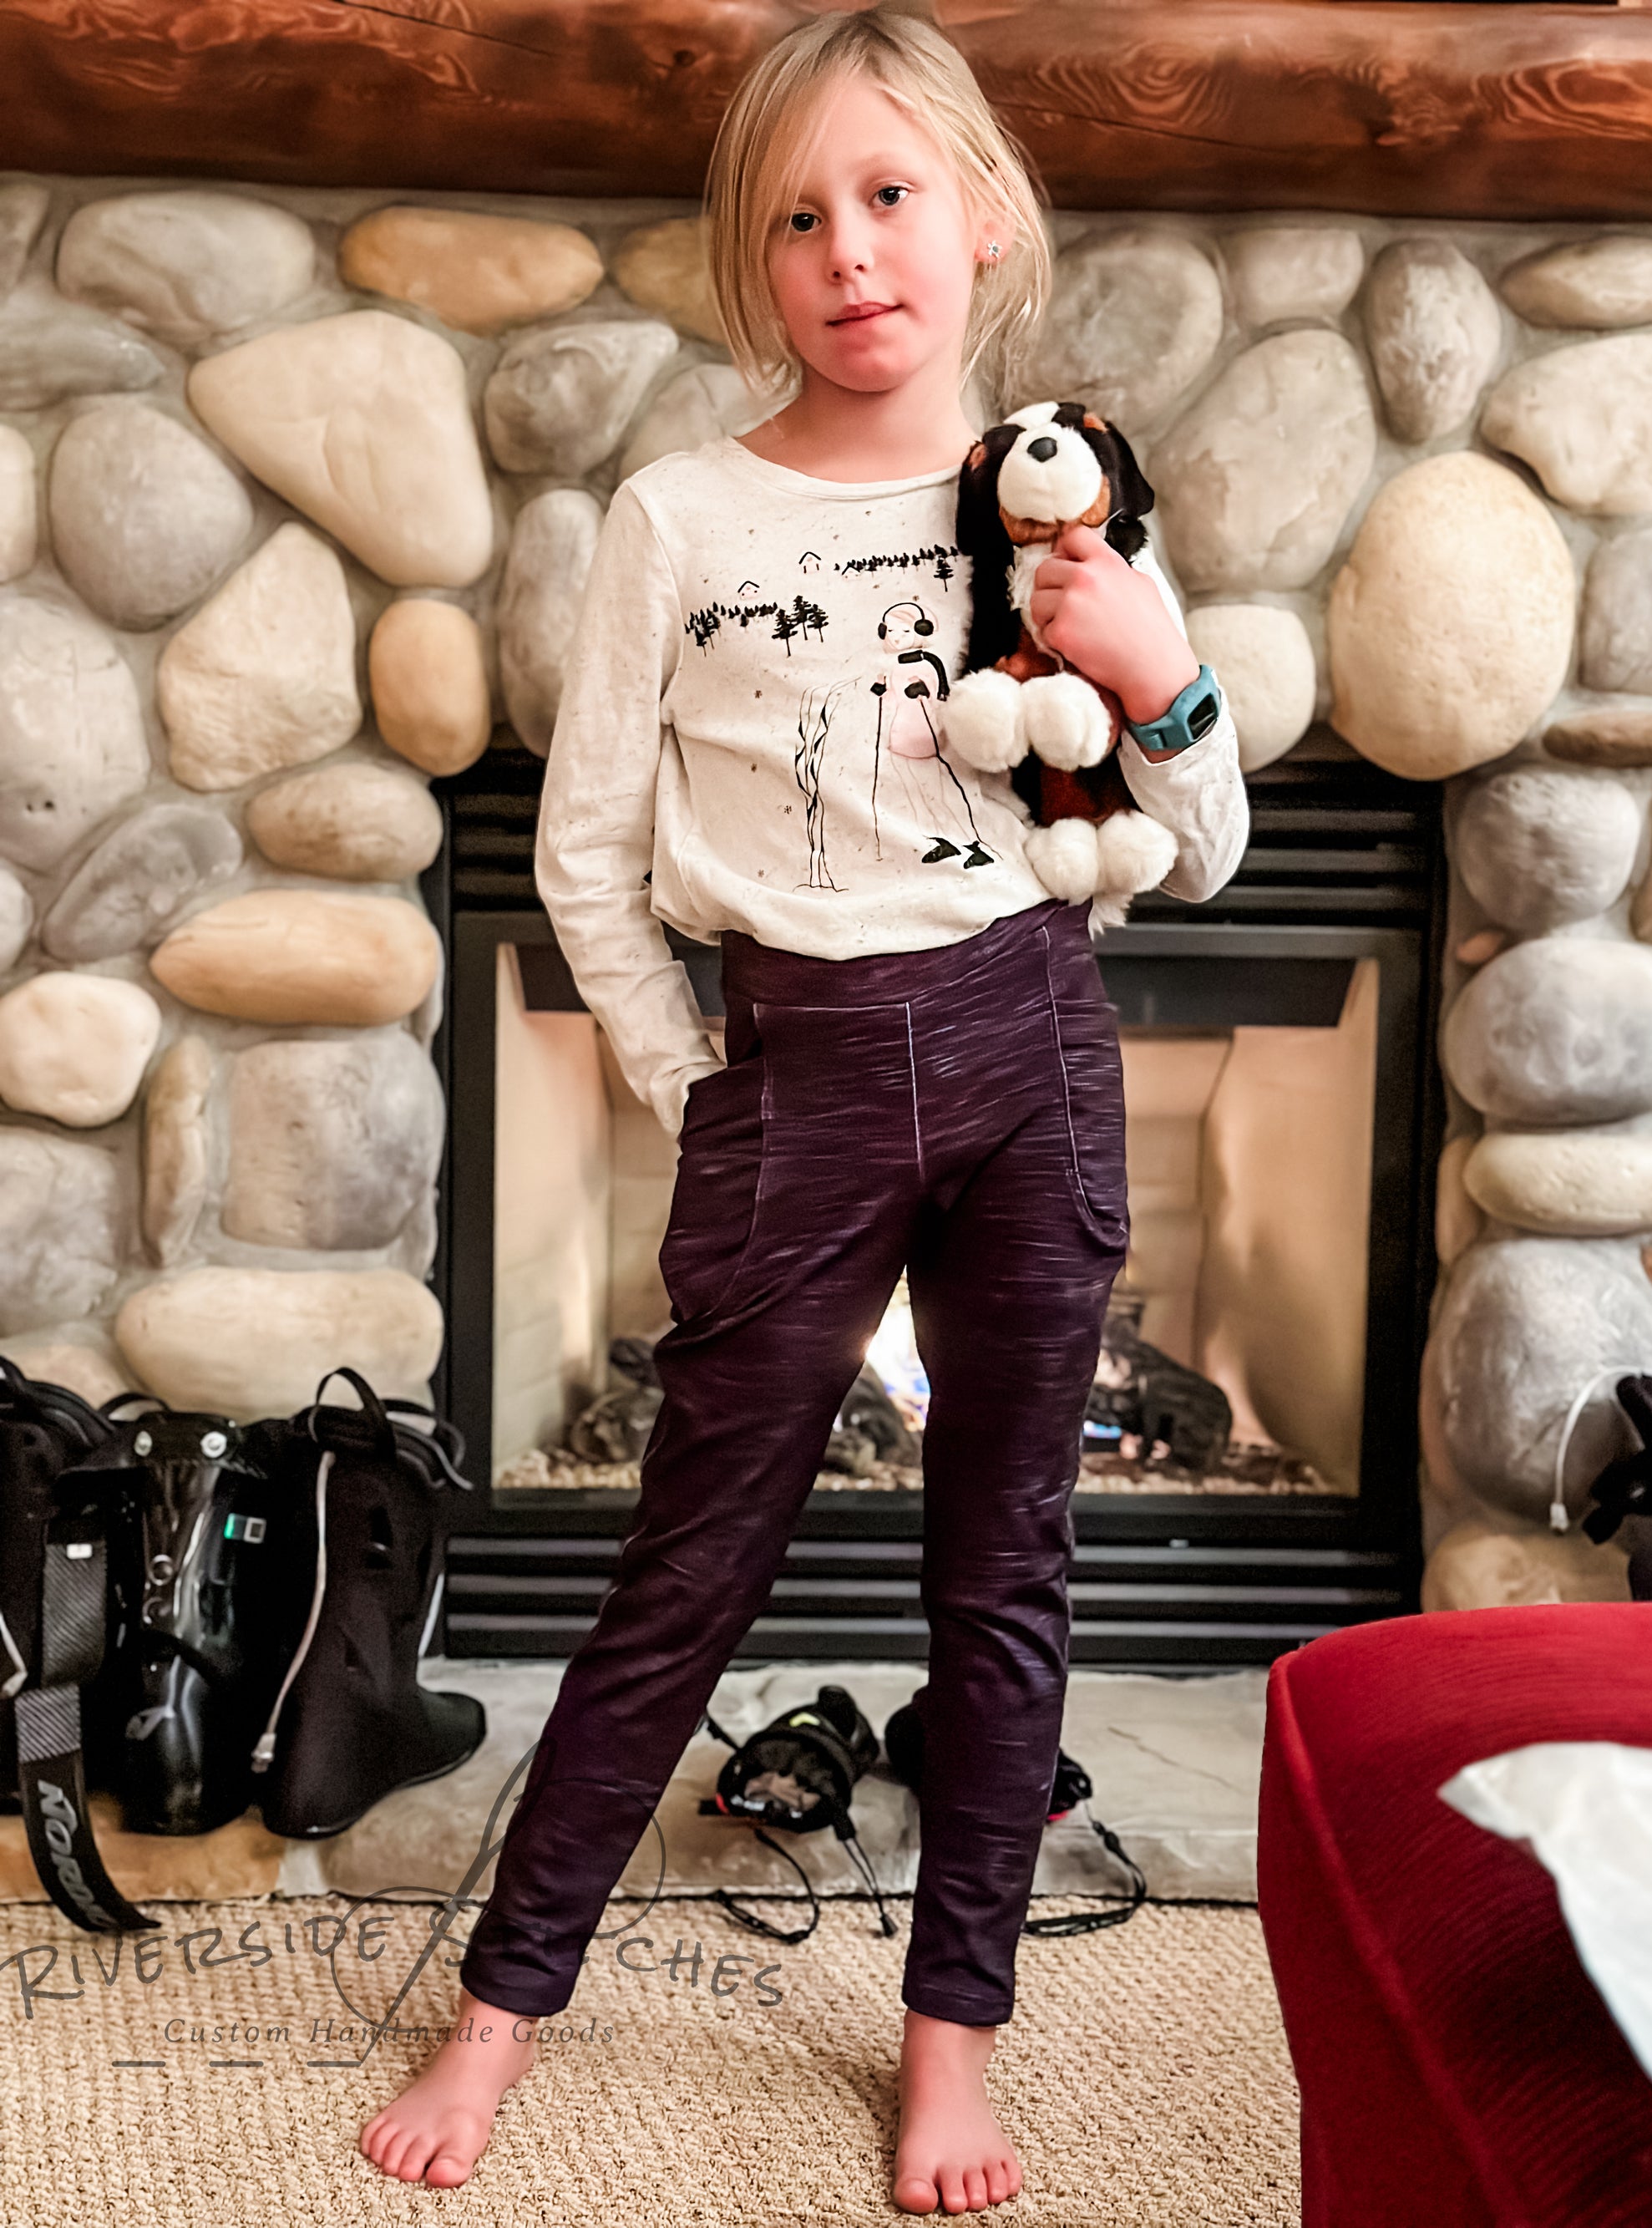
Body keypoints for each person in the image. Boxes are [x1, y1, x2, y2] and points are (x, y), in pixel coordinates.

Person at [360, 8, 1249, 2211]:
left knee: (1003, 1578)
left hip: (1037, 1056)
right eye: (795, 216)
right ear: (750, 262)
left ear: (985, 216)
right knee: (684, 1573)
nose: (848, 249)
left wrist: (1159, 673)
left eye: (890, 193)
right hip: (796, 1076)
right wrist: (698, 1095)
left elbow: (1206, 840)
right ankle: (502, 2009)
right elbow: (584, 859)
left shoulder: (1062, 504)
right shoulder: (679, 515)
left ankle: (954, 2043)